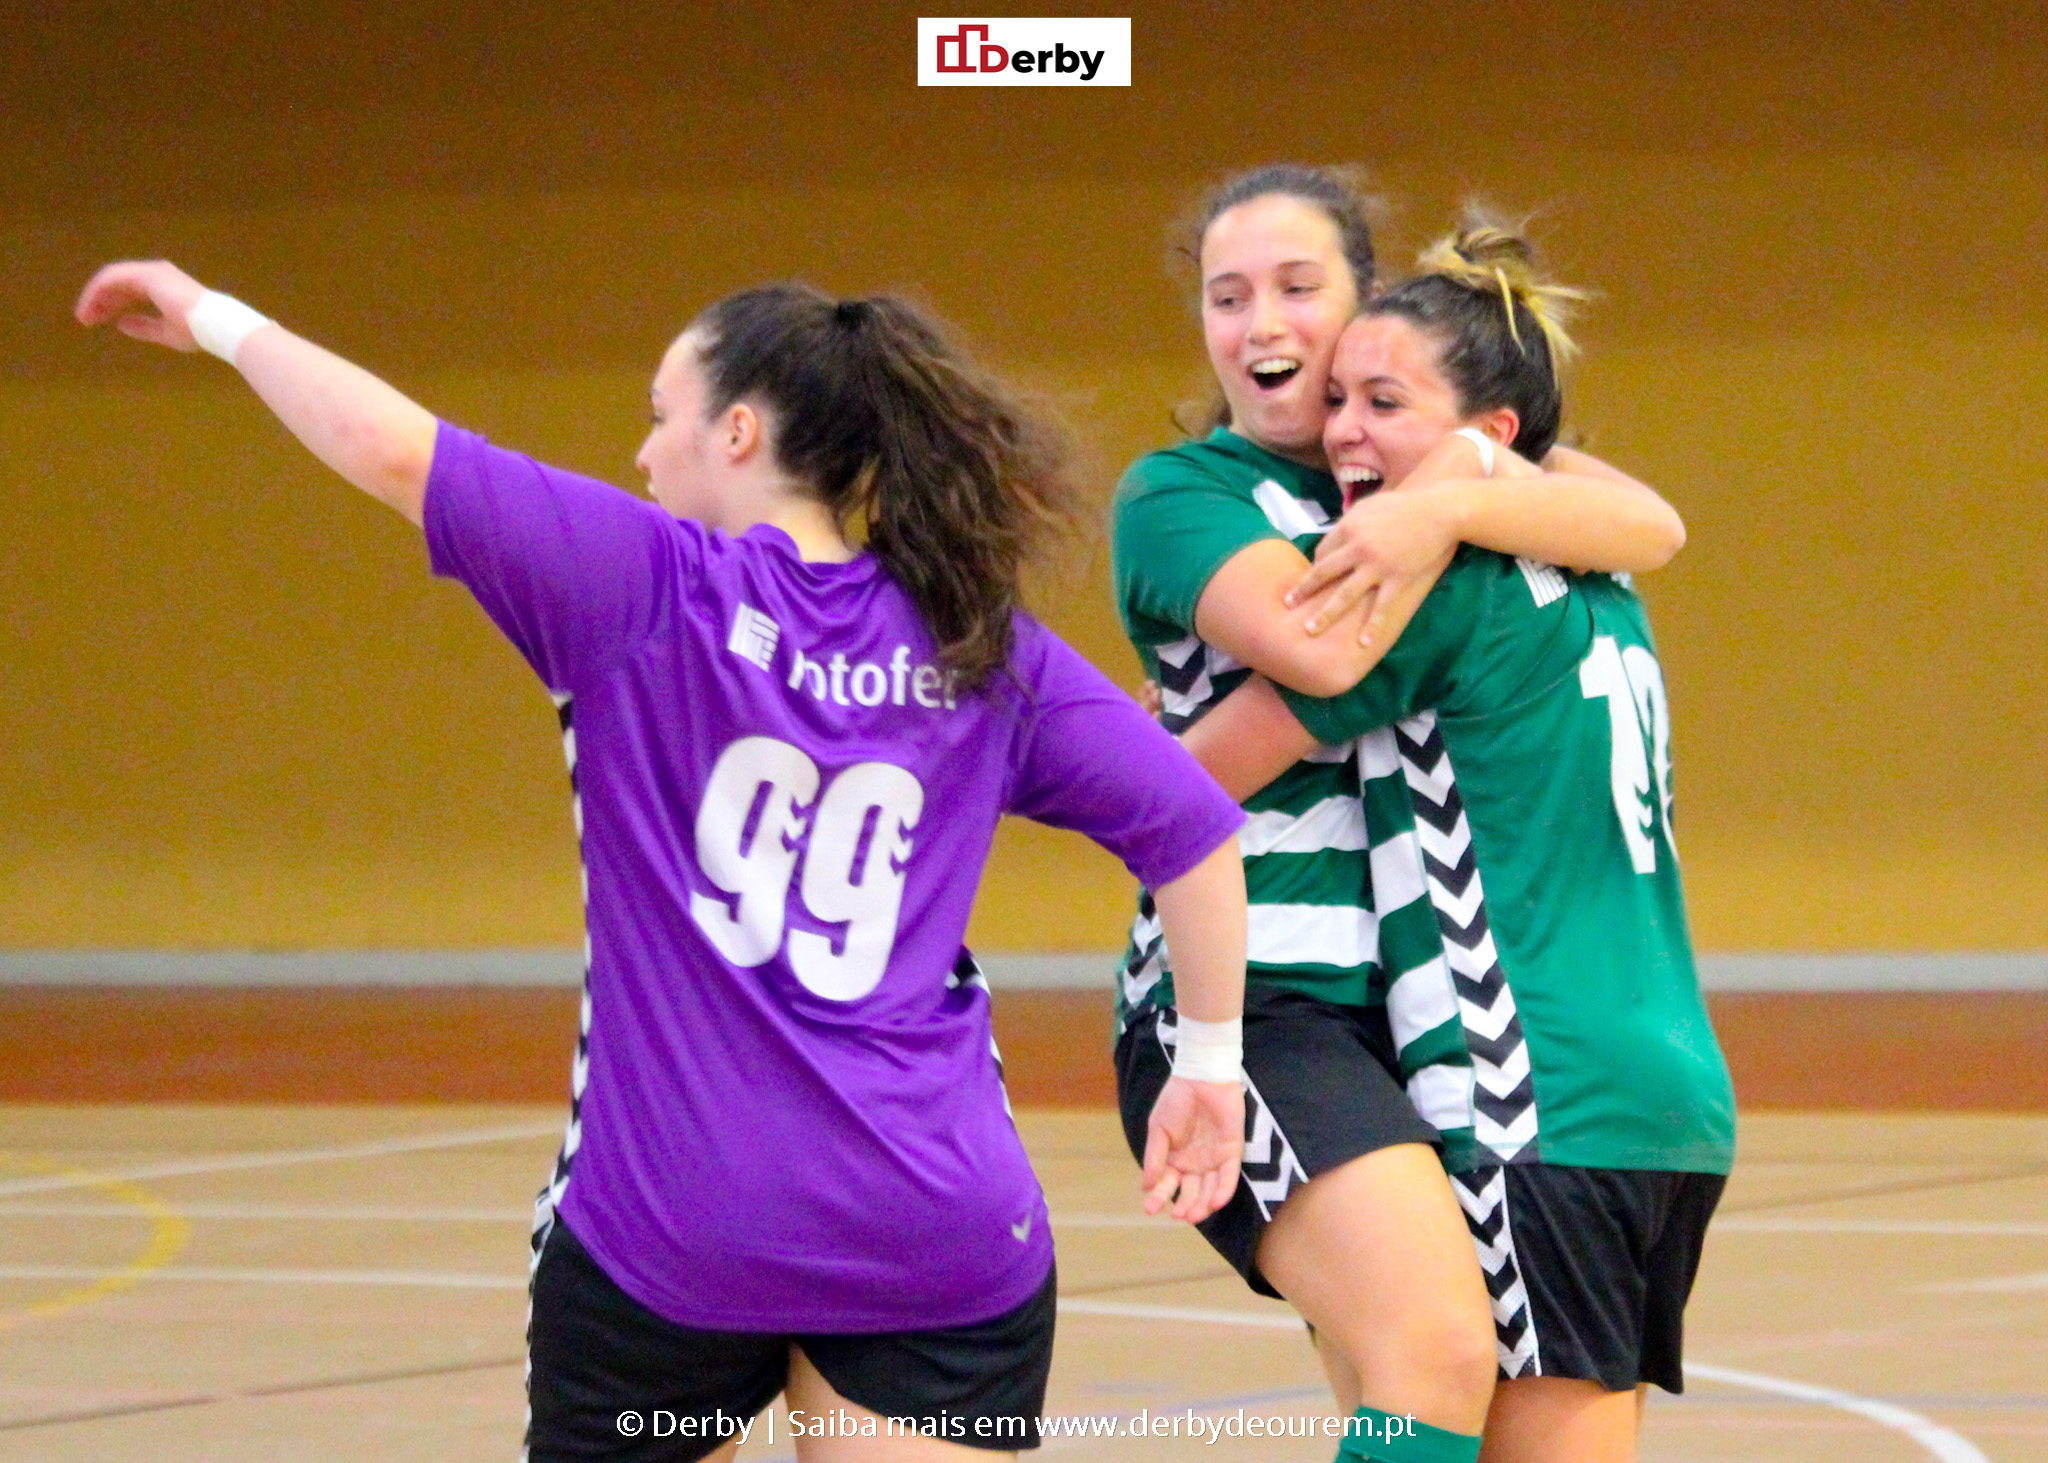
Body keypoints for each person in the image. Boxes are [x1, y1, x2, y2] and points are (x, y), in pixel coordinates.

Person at [75, 262, 1253, 1463]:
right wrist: (1207, 1062)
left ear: (735, 430)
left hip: (674, 1235)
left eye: (658, 414)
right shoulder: (977, 637)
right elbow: (1197, 828)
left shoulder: (640, 584)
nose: (642, 454)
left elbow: (387, 446)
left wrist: (216, 317)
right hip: (930, 1226)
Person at [1110, 166, 1690, 1463]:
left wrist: (1459, 487)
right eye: (1226, 294)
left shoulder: (1407, 465)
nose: (1261, 320)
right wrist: (1460, 504)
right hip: (1256, 997)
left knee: (1426, 1395)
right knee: (1436, 1345)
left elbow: (1649, 522)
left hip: (1414, 1015)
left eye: (1298, 287)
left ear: (1364, 309)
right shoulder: (1184, 491)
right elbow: (1319, 652)